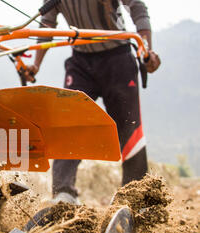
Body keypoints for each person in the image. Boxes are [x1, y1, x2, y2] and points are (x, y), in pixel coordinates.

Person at [25, 0, 161, 204]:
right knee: (68, 124)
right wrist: (35, 64)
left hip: (118, 59)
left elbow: (137, 6)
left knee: (129, 127)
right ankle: (64, 196)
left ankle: (136, 197)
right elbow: (47, 24)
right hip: (81, 61)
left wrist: (146, 49)